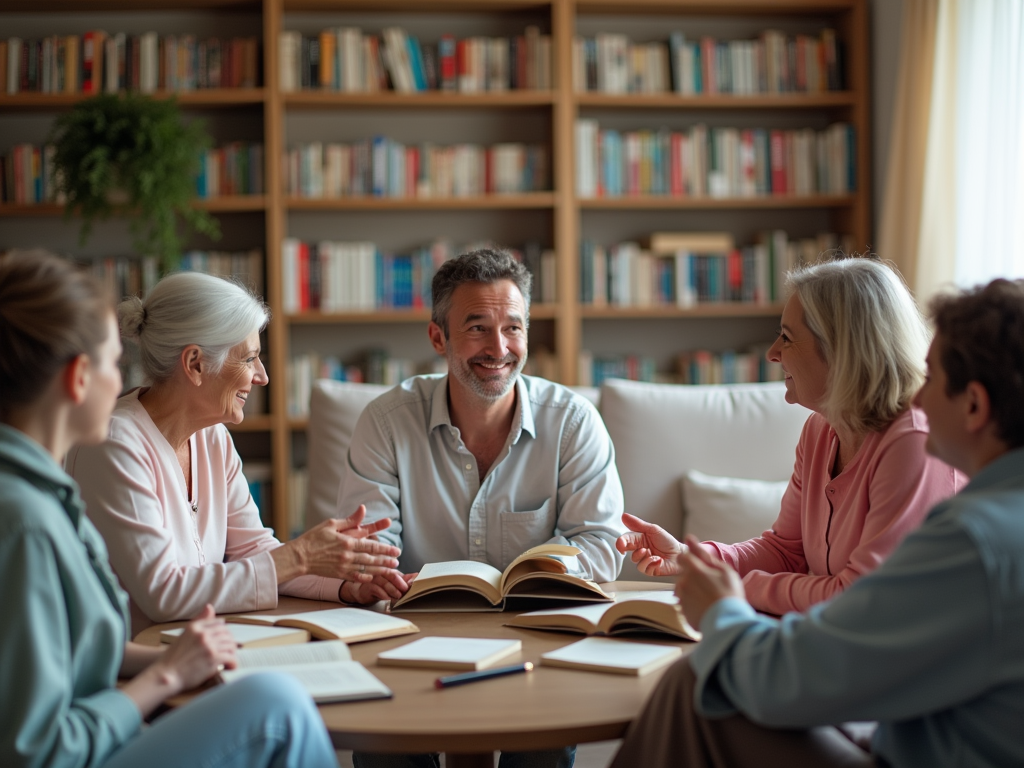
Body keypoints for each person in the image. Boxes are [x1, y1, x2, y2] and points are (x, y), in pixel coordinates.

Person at [609, 277, 1024, 768]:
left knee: (699, 682)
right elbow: (791, 552)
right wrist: (696, 559)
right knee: (697, 685)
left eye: (929, 379)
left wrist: (726, 608)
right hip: (904, 731)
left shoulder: (970, 537)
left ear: (974, 405)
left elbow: (793, 677)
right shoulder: (987, 514)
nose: (917, 399)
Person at [0, 249, 338, 768]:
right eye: (114, 364)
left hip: (118, 709)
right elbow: (38, 748)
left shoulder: (45, 498)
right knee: (279, 707)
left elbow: (81, 647)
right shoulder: (28, 519)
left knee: (276, 696)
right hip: (102, 738)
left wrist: (339, 580)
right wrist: (166, 675)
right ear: (78, 379)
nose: (125, 385)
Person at [331, 248, 627, 768]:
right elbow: (370, 548)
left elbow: (602, 543)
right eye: (477, 328)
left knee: (544, 743)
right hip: (411, 641)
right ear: (438, 337)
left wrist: (539, 570)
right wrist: (377, 570)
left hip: (538, 636)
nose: (499, 348)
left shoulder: (574, 423)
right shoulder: (386, 421)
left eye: (513, 328)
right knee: (384, 747)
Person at [616, 255, 963, 615]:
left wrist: (734, 591)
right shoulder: (821, 429)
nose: (772, 353)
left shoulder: (914, 442)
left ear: (841, 350)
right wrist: (693, 559)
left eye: (787, 338)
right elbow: (786, 550)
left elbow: (860, 600)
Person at [67, 270, 407, 636]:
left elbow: (253, 550)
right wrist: (301, 555)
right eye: (248, 359)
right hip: (134, 666)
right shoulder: (115, 443)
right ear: (195, 363)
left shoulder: (212, 437)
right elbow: (163, 593)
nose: (261, 376)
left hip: (197, 649)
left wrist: (345, 587)